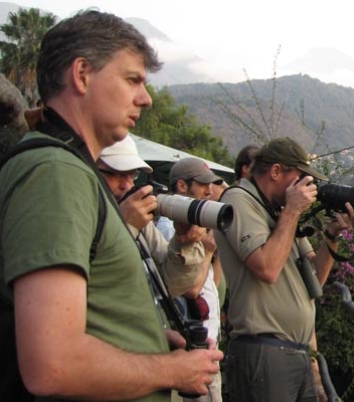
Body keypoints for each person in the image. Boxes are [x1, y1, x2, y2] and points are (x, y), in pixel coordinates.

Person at [0, 10, 221, 401]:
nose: (146, 97)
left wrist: (149, 339)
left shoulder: (67, 170)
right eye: (132, 79)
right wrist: (167, 369)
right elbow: (54, 364)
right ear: (82, 74)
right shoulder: (56, 173)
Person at [215, 137, 354, 402]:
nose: (308, 185)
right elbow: (267, 268)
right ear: (275, 171)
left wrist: (332, 234)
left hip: (297, 352)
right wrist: (292, 212)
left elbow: (316, 279)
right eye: (302, 177)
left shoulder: (280, 212)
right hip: (263, 351)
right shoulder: (238, 199)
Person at [98, 135, 208, 298]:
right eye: (116, 174)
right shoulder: (79, 214)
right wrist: (127, 227)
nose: (128, 185)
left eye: (132, 175)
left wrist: (184, 243)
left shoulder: (141, 223)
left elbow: (171, 284)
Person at [163, 157, 225, 402]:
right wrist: (208, 250)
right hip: (184, 351)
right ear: (181, 186)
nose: (209, 191)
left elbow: (212, 286)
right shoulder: (173, 229)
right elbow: (189, 289)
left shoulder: (196, 229)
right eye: (202, 185)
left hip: (206, 345)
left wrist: (214, 251)